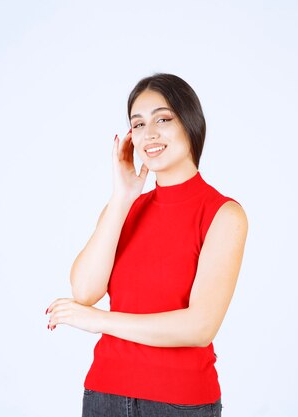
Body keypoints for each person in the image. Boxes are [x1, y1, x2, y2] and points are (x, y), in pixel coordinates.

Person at [45, 73, 248, 417]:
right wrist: (122, 197)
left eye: (163, 119)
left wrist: (100, 321)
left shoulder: (223, 214)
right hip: (104, 395)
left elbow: (200, 326)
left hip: (179, 402)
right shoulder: (125, 209)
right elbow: (84, 291)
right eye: (137, 125)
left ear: (191, 124)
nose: (148, 134)